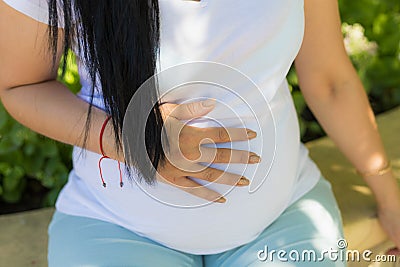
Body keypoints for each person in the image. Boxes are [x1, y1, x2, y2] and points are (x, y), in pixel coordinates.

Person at [0, 0, 399, 266]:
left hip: (284, 215)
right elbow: (21, 86)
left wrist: (389, 195)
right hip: (115, 225)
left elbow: (329, 80)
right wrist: (136, 140)